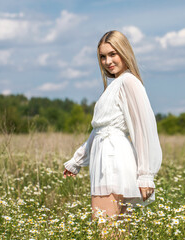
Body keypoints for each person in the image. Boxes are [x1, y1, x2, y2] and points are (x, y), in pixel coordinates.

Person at [63, 30, 162, 219]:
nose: (107, 61)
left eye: (112, 54)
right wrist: (77, 160)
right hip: (105, 160)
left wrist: (146, 175)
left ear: (124, 52)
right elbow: (99, 131)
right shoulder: (115, 85)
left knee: (105, 231)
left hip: (113, 161)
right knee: (115, 233)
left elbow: (143, 129)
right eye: (102, 56)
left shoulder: (129, 82)